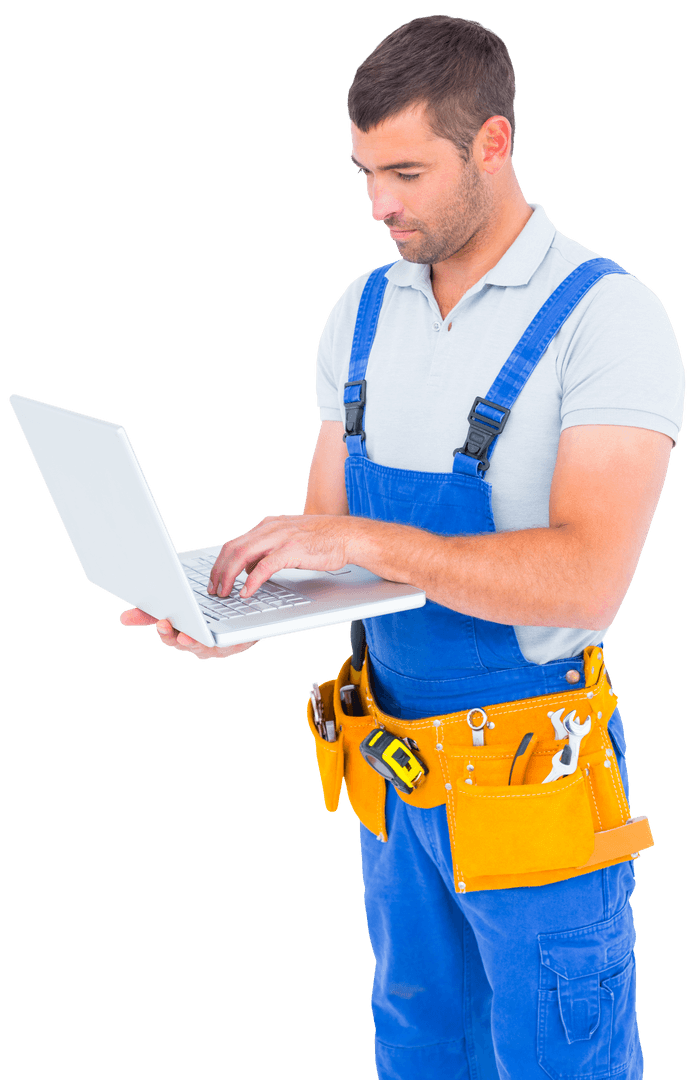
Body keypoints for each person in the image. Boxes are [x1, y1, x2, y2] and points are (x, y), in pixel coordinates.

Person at [121, 16, 684, 1079]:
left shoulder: (609, 321)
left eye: (407, 172)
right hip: (393, 781)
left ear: (493, 144)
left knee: (558, 1060)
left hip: (531, 787)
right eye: (364, 172)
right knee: (421, 1050)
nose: (380, 202)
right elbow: (335, 560)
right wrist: (235, 611)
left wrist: (360, 536)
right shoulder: (359, 313)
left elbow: (586, 575)